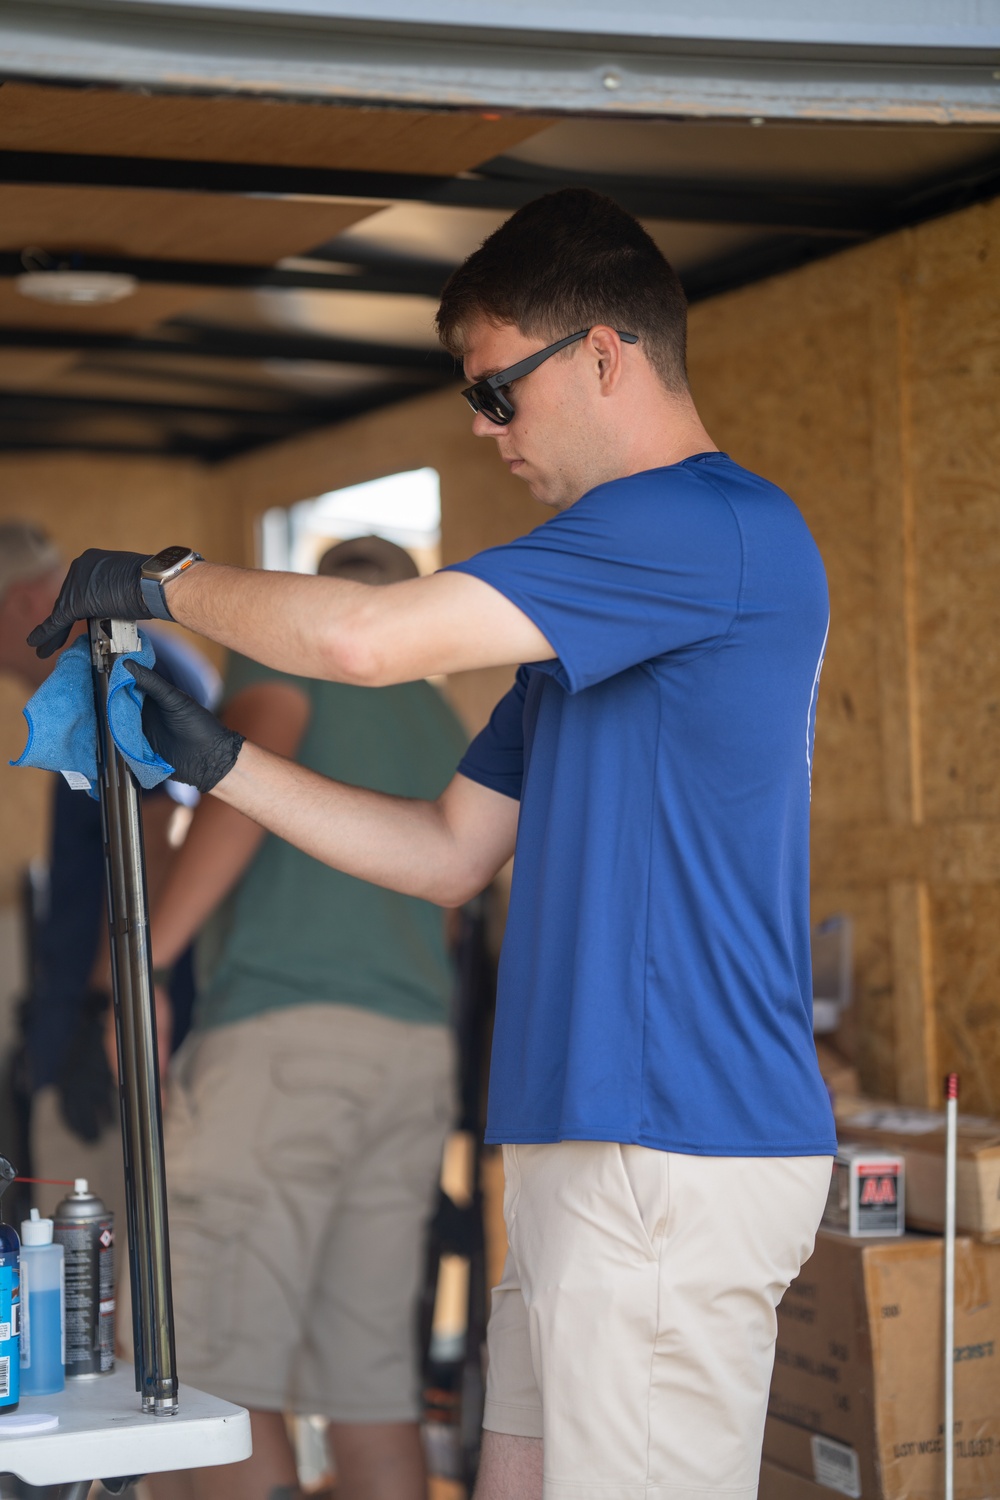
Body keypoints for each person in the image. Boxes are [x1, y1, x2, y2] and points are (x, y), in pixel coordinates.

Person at [30, 188, 838, 1500]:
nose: (482, 427)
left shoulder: (696, 524)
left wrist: (164, 580)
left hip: (670, 1140)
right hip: (595, 1145)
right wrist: (225, 766)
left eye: (497, 390)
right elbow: (450, 851)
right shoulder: (593, 620)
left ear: (601, 356)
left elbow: (365, 638)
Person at [142, 535, 467, 1500]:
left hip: (286, 1043)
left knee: (205, 1377)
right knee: (369, 1390)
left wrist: (143, 962)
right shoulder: (444, 718)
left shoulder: (288, 660)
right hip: (412, 1055)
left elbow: (242, 784)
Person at [0, 520, 217, 1230]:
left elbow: (156, 834)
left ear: (28, 600)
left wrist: (104, 1005)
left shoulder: (116, 667)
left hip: (125, 1039)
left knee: (100, 1279)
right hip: (106, 1021)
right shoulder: (91, 679)